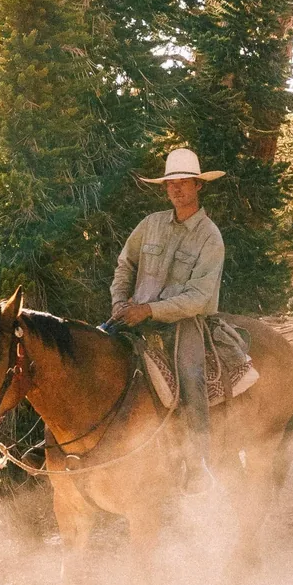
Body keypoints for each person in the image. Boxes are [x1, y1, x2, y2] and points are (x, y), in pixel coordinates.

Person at [110, 146, 225, 491]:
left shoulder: (209, 236)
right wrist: (119, 302)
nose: (176, 189)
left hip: (182, 323)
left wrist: (149, 310)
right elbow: (124, 265)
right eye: (170, 183)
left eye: (183, 183)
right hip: (131, 317)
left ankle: (198, 462)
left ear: (198, 186)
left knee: (192, 376)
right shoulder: (150, 225)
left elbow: (199, 297)